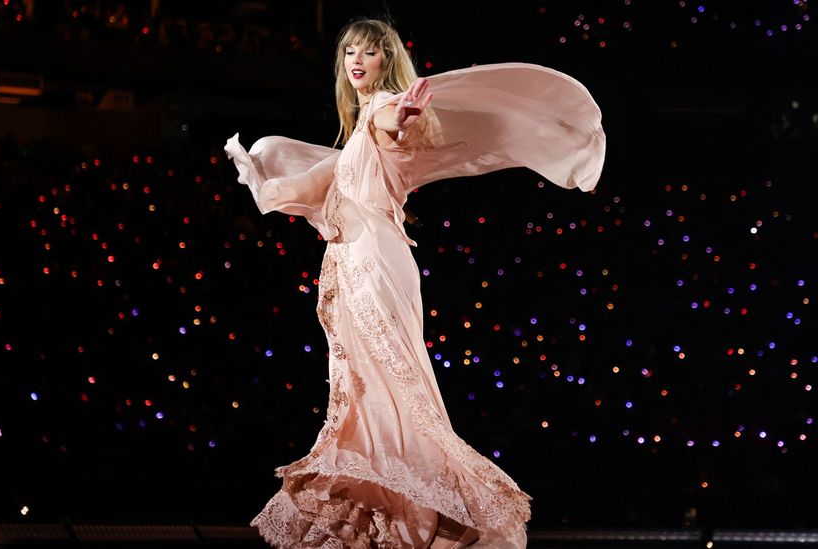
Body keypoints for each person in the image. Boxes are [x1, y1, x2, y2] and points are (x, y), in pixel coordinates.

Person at [225, 18, 605, 549]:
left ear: (387, 62)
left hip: (373, 262)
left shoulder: (380, 106)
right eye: (349, 52)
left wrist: (401, 117)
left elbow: (392, 124)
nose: (357, 60)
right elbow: (329, 179)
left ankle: (435, 512)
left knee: (391, 381)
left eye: (370, 52)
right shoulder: (359, 123)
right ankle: (402, 511)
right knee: (365, 386)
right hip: (360, 258)